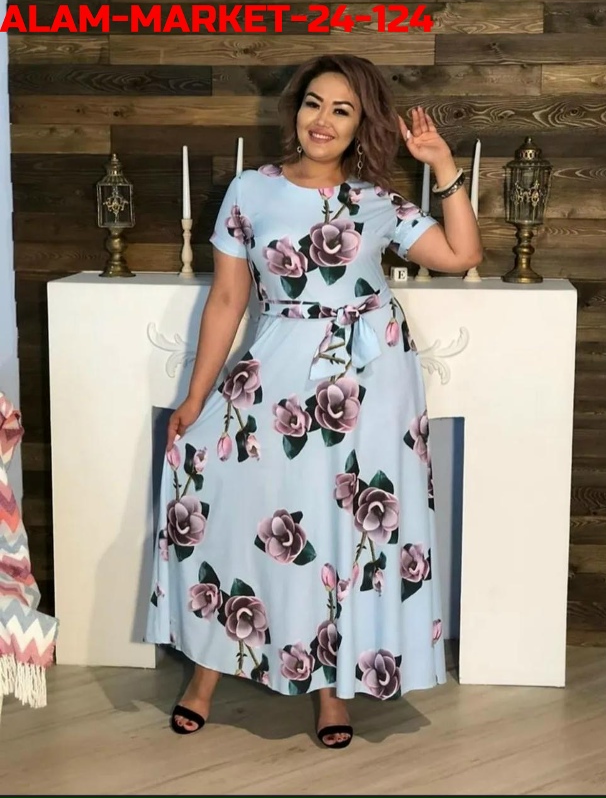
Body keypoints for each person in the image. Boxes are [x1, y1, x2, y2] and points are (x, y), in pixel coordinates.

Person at [145, 53, 482, 749]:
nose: (322, 120)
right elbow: (229, 299)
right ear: (295, 111)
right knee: (232, 505)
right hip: (279, 364)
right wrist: (197, 396)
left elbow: (461, 254)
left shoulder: (377, 202)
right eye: (313, 103)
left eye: (341, 110)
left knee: (342, 528)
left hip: (372, 377)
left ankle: (333, 692)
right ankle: (205, 674)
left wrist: (443, 164)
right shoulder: (250, 191)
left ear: (361, 126)